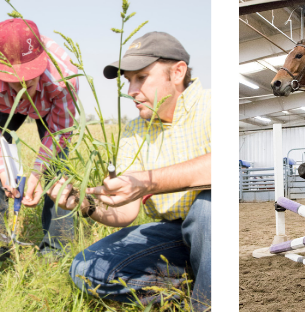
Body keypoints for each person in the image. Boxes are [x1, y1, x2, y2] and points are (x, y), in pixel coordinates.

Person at [47, 32, 211, 311]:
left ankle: (206, 303)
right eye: (128, 81)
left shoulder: (211, 106)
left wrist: (148, 182)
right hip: (172, 232)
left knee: (207, 207)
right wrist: (88, 207)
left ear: (178, 72)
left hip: (213, 223)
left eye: (142, 77)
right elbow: (126, 212)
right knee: (86, 268)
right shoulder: (134, 131)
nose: (131, 90)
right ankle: (189, 285)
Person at [0, 18, 79, 260]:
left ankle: (55, 251)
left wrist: (38, 173)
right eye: (14, 80)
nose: (23, 86)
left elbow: (60, 131)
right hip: (4, 107)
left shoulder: (64, 78)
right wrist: (5, 173)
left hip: (48, 109)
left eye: (29, 78)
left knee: (58, 165)